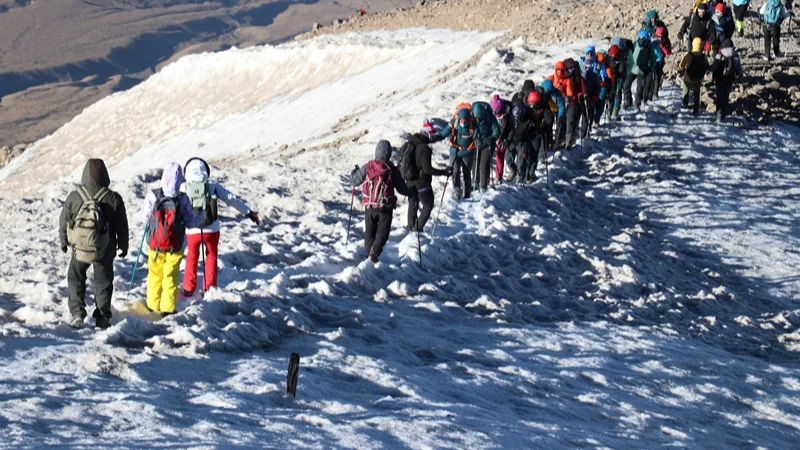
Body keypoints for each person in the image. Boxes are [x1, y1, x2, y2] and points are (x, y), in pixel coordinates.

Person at [59, 159, 129, 329]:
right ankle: (102, 319)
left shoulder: (75, 197)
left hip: (80, 249)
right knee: (103, 282)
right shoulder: (113, 198)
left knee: (75, 277)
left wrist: (64, 241)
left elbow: (64, 221)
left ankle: (77, 314)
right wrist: (123, 246)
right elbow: (122, 225)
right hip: (104, 250)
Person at [180, 157, 260, 297]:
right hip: (212, 228)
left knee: (192, 256)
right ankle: (209, 288)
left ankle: (188, 288)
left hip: (192, 230)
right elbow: (231, 199)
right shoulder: (213, 186)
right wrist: (249, 212)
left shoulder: (183, 187)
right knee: (211, 255)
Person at [140, 162, 205, 317]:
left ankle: (152, 305)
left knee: (155, 274)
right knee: (170, 276)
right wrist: (202, 215)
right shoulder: (182, 199)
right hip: (176, 245)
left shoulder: (153, 195)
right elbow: (191, 222)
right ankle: (168, 309)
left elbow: (145, 219)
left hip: (155, 244)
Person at [350, 140, 416, 262]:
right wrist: (412, 191)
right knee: (383, 233)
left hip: (370, 205)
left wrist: (353, 172)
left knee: (370, 232)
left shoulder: (368, 166)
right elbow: (401, 188)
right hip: (385, 207)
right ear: (389, 153)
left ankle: (368, 257)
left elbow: (354, 181)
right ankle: (374, 252)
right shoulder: (391, 169)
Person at [402, 125, 452, 233]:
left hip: (409, 181)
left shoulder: (410, 143)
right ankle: (417, 229)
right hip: (421, 183)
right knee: (428, 205)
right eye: (432, 135)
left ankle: (411, 227)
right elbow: (427, 169)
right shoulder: (424, 149)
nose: (433, 138)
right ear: (428, 135)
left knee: (413, 204)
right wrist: (443, 172)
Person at [443, 103, 480, 200]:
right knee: (455, 171)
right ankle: (457, 191)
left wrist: (477, 140)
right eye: (461, 120)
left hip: (467, 152)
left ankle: (467, 192)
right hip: (455, 151)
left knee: (466, 172)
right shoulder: (454, 122)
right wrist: (435, 137)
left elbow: (476, 135)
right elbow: (445, 132)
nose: (462, 122)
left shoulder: (473, 124)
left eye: (464, 120)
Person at [709, 39, 744, 122]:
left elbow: (713, 68)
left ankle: (718, 115)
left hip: (719, 80)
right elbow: (739, 69)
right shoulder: (735, 57)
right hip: (729, 80)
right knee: (725, 97)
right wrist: (740, 79)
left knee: (719, 97)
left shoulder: (719, 56)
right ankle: (724, 114)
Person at [471, 101, 501, 193]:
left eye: (479, 118)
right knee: (474, 163)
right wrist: (474, 138)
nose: (477, 120)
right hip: (476, 144)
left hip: (487, 144)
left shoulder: (489, 117)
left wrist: (492, 138)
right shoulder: (471, 118)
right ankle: (475, 182)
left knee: (483, 165)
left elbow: (497, 130)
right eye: (476, 118)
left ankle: (483, 185)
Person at [504, 101, 535, 183]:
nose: (516, 118)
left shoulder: (528, 120)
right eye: (515, 116)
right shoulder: (510, 118)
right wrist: (507, 140)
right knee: (507, 157)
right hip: (512, 141)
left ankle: (520, 178)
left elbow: (532, 132)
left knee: (521, 162)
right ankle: (513, 170)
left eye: (518, 116)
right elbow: (509, 130)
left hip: (522, 142)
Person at [627, 30, 659, 112]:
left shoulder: (649, 46)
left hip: (641, 69)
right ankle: (629, 101)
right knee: (627, 85)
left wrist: (650, 67)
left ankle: (637, 104)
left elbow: (652, 59)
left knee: (640, 88)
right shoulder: (635, 44)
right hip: (633, 68)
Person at [678, 38, 709, 115]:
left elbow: (681, 65)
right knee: (696, 93)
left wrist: (679, 69)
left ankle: (685, 104)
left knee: (685, 89)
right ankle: (696, 109)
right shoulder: (703, 56)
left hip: (688, 78)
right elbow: (707, 66)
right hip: (698, 79)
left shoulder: (689, 55)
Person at [490, 94, 513, 184]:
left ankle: (498, 177)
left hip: (503, 138)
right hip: (493, 137)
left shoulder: (508, 115)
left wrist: (507, 140)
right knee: (488, 157)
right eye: (495, 112)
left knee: (499, 157)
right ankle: (486, 179)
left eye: (497, 112)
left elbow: (511, 129)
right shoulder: (490, 113)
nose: (496, 114)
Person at [538, 79, 566, 147]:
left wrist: (560, 116)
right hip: (541, 113)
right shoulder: (538, 93)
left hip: (550, 113)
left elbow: (561, 106)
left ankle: (550, 143)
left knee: (549, 127)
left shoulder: (556, 93)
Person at [606, 43, 628, 118]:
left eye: (613, 55)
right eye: (611, 55)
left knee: (618, 93)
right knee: (611, 94)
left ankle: (616, 109)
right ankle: (610, 110)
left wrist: (616, 75)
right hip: (610, 78)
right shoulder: (608, 57)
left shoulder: (621, 59)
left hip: (619, 78)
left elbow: (621, 70)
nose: (612, 56)